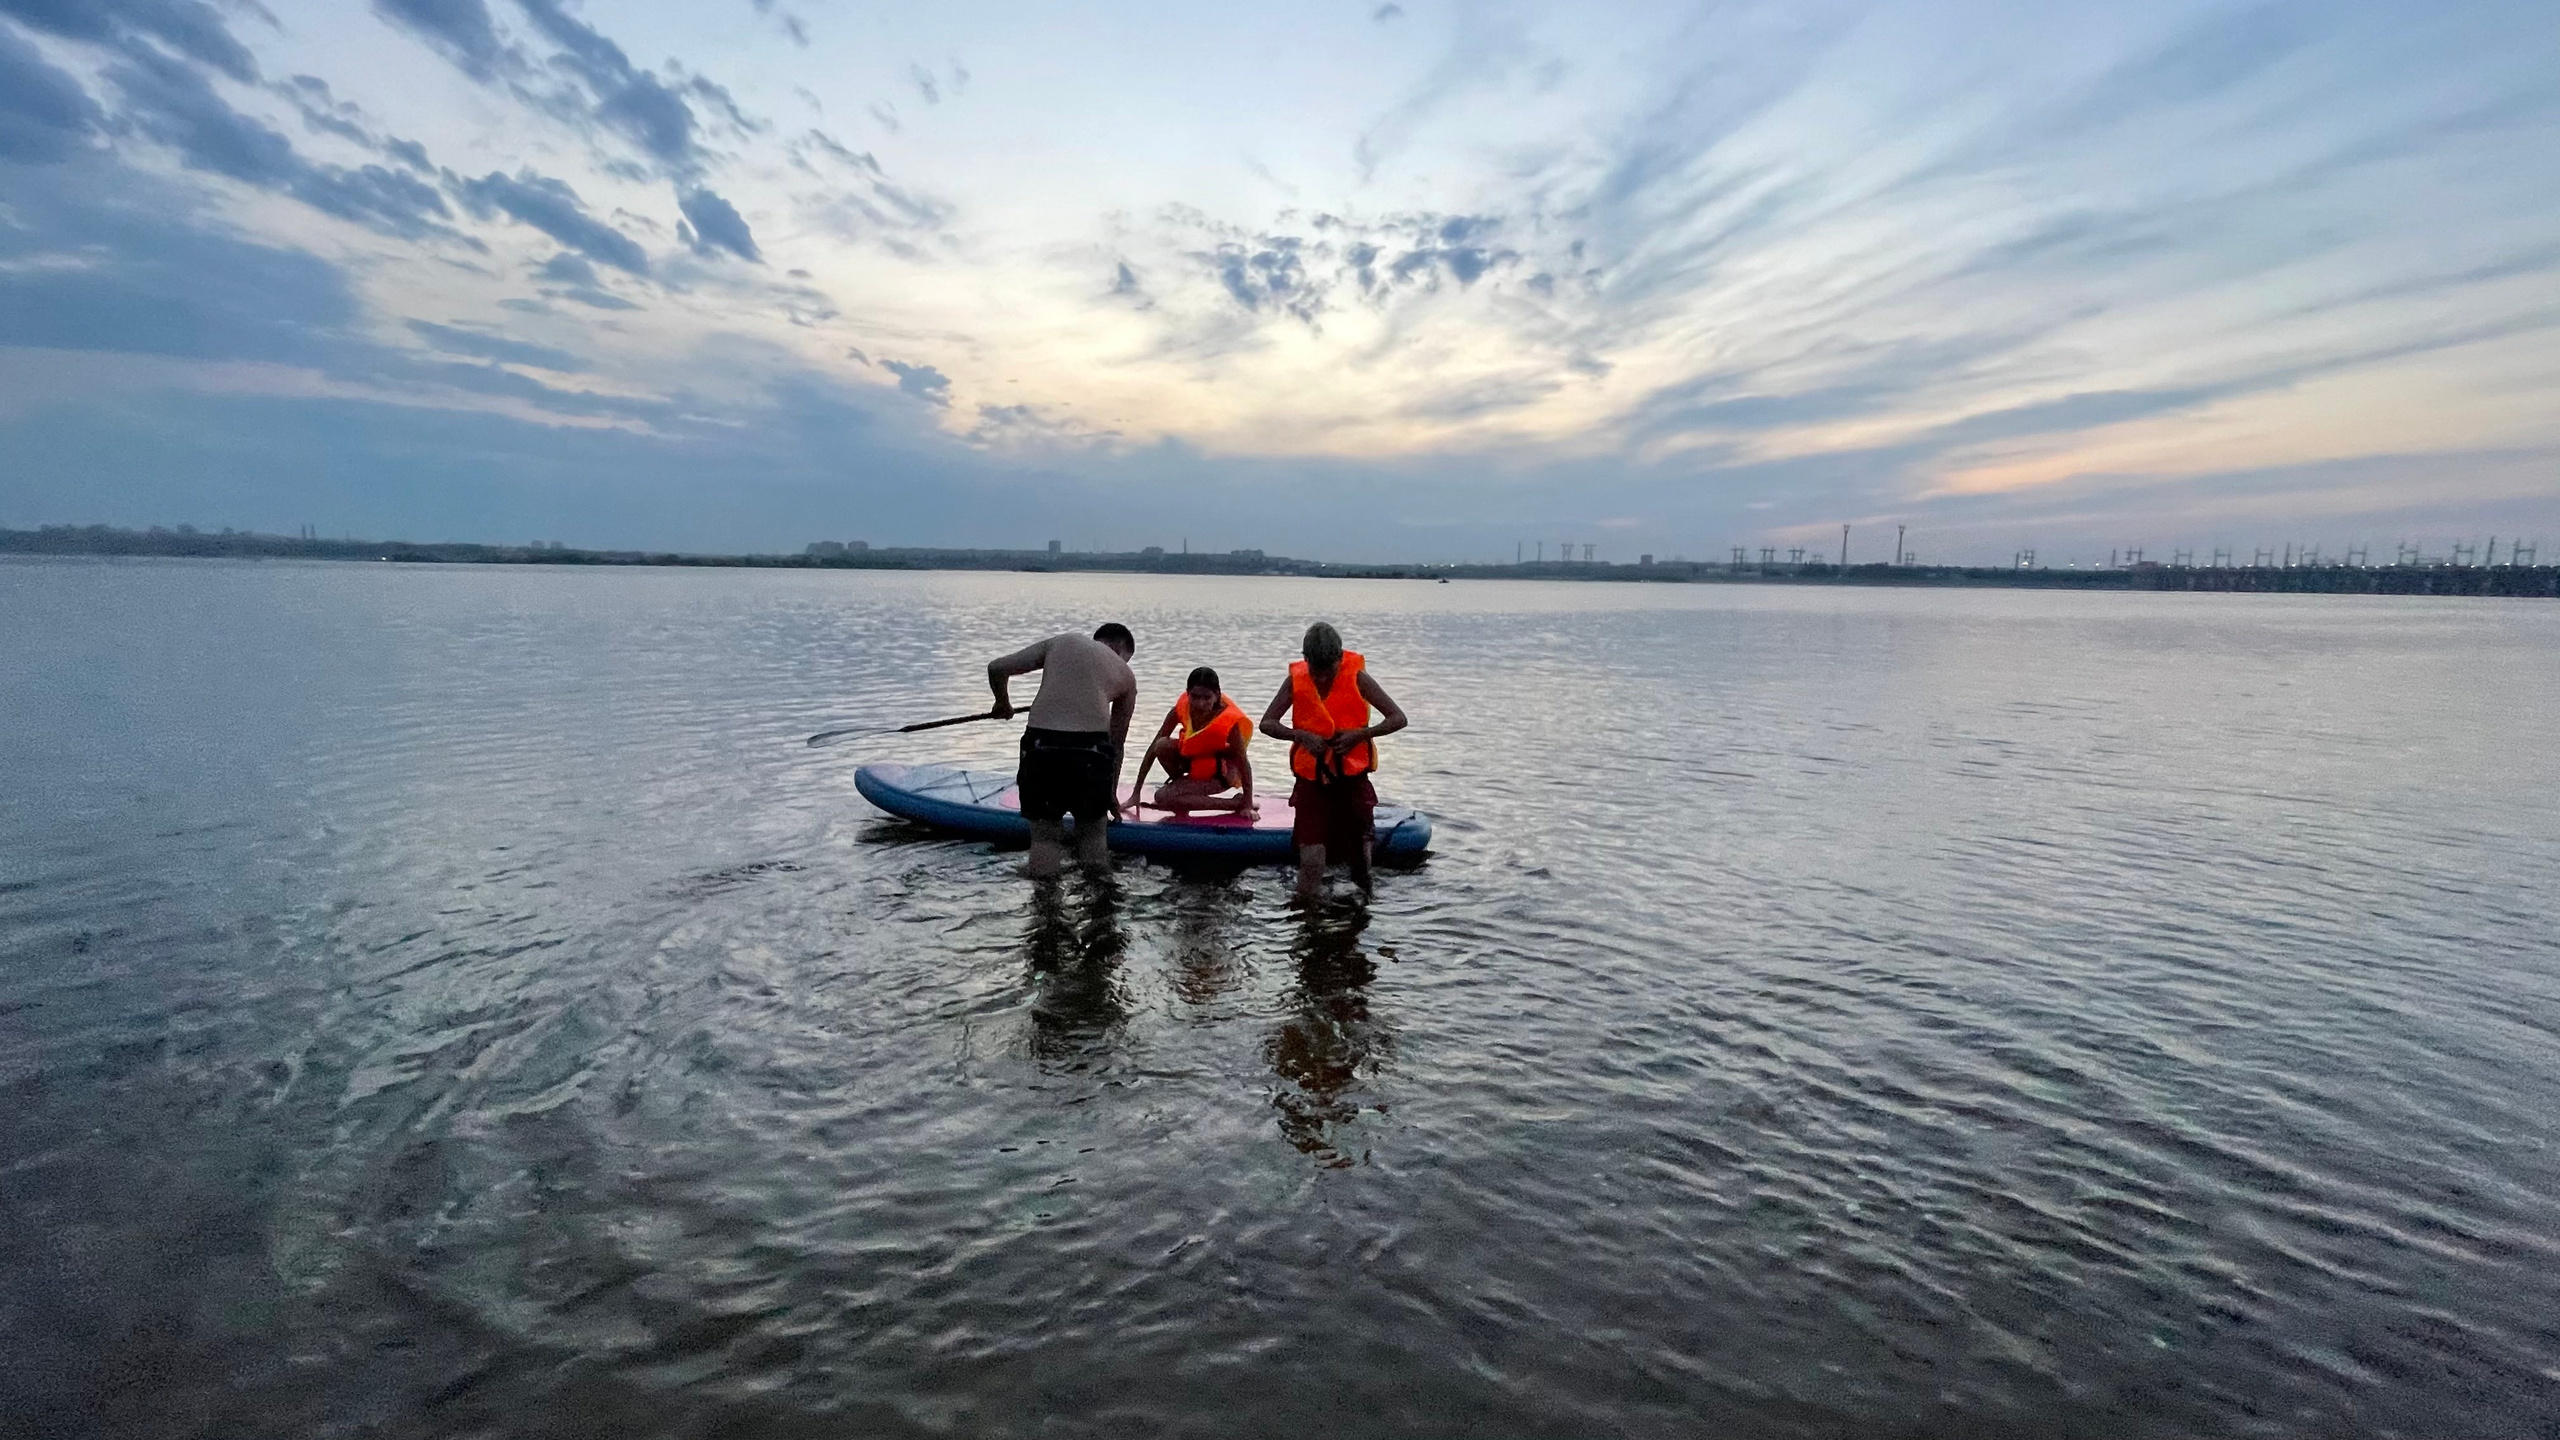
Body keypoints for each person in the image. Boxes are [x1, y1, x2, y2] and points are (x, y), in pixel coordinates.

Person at [1260, 622, 1406, 900]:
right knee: (1312, 861)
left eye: (1329, 670)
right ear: (1305, 660)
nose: (1323, 678)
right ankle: (1308, 921)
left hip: (1352, 782)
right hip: (1312, 784)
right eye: (1316, 671)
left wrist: (1361, 734)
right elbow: (1267, 723)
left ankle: (1362, 911)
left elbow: (1398, 718)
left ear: (1340, 658)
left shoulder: (1359, 678)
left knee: (1360, 864)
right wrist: (1300, 736)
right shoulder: (1295, 681)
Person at [988, 623, 1138, 876]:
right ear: (1121, 650)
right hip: (1092, 752)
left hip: (1042, 746)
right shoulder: (1126, 676)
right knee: (1093, 838)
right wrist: (1110, 793)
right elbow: (1116, 744)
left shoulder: (1063, 642)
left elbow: (997, 668)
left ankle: (1045, 910)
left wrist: (1003, 703)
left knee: (1045, 839)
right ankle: (1102, 906)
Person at [1125, 666, 1258, 816]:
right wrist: (1136, 792)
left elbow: (1243, 761)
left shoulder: (1228, 720)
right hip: (1195, 763)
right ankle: (1181, 790)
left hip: (1222, 772)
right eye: (1195, 697)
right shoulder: (1180, 709)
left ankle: (1235, 804)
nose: (1200, 704)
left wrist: (1248, 803)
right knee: (1162, 745)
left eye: (1207, 698)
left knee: (1162, 797)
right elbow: (1152, 750)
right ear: (1187, 693)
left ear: (1217, 695)